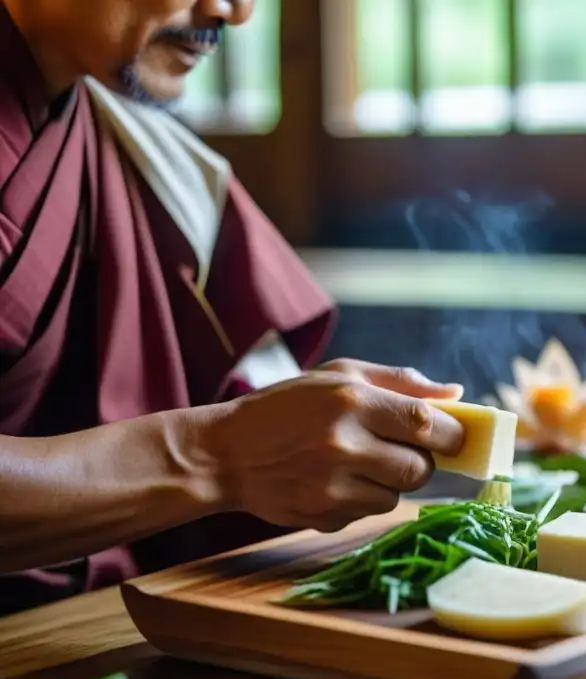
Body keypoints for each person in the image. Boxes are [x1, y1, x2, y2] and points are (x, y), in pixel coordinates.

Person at [0, 0, 466, 615]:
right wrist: (220, 456)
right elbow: (229, 445)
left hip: (99, 625)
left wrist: (303, 430)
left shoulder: (130, 149)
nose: (234, 12)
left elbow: (243, 399)